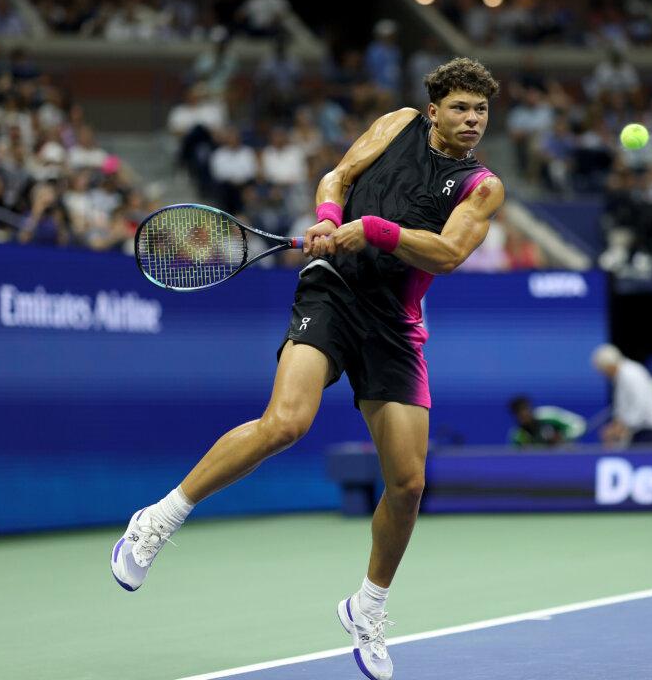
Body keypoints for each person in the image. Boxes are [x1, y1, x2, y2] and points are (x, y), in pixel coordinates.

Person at [110, 58, 504, 680]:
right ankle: (158, 519)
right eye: (460, 108)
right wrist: (327, 218)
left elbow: (450, 251)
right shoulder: (397, 124)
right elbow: (337, 175)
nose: (472, 120)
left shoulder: (481, 186)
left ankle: (367, 608)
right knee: (286, 422)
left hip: (394, 327)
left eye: (480, 111)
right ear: (433, 111)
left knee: (407, 486)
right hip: (332, 292)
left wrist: (372, 230)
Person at [591, 344, 652, 446]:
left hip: (647, 431)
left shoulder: (630, 374)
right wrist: (616, 425)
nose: (604, 375)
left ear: (609, 366)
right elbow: (623, 407)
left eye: (603, 370)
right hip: (639, 430)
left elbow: (639, 404)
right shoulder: (622, 375)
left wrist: (620, 428)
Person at [507, 396, 585, 447]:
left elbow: (579, 424)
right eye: (520, 414)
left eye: (526, 410)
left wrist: (563, 437)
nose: (525, 416)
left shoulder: (549, 416)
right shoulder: (518, 436)